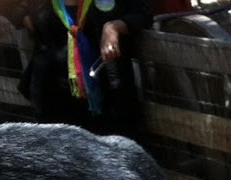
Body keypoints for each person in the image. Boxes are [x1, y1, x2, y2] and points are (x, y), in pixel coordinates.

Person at [12, 0, 152, 139]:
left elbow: (143, 15)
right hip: (51, 96)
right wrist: (23, 17)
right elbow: (5, 5)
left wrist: (114, 26)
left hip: (107, 96)